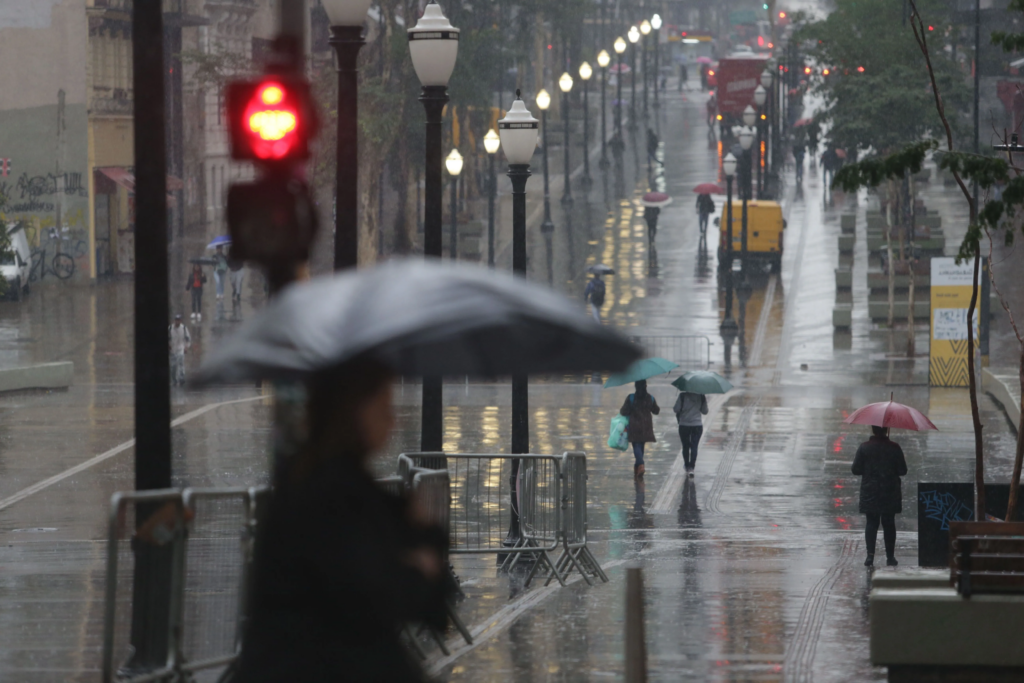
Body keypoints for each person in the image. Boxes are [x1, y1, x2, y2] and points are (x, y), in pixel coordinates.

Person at [236, 360, 451, 682]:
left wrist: (423, 542)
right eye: (384, 408)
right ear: (353, 411)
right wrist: (421, 564)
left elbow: (432, 609)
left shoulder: (350, 490)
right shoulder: (329, 495)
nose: (392, 421)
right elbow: (374, 596)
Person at [851, 425, 908, 567]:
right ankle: (890, 557)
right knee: (889, 523)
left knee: (871, 523)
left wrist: (870, 469)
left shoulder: (864, 447)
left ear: (873, 430)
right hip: (890, 490)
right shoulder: (894, 447)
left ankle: (870, 556)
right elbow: (903, 470)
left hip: (870, 490)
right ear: (887, 430)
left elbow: (856, 469)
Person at [620, 380, 660, 480]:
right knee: (641, 446)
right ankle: (637, 467)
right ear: (646, 386)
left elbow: (623, 411)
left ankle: (640, 464)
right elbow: (656, 411)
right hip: (646, 426)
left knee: (636, 445)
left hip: (634, 426)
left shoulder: (631, 398)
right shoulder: (650, 398)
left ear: (635, 386)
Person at [673, 391, 708, 476]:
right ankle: (692, 467)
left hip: (684, 425)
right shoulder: (701, 395)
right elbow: (705, 411)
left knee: (685, 446)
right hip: (697, 425)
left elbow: (676, 409)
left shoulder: (682, 396)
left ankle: (687, 465)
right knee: (694, 446)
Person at [169, 314, 191, 386]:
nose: (177, 321)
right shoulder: (170, 328)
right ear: (174, 320)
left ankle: (181, 378)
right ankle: (174, 380)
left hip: (181, 348)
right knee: (173, 366)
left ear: (180, 321)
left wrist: (186, 347)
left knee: (181, 363)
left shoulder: (184, 328)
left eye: (178, 320)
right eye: (176, 320)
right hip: (172, 349)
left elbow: (188, 339)